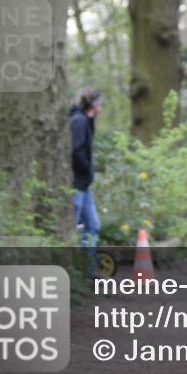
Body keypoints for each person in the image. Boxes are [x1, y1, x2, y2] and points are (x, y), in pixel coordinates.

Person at [69, 88, 103, 260]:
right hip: (76, 183)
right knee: (72, 225)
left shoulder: (87, 121)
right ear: (94, 104)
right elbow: (76, 150)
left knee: (93, 225)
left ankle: (88, 269)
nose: (102, 108)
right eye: (100, 104)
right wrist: (85, 167)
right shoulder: (79, 121)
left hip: (84, 185)